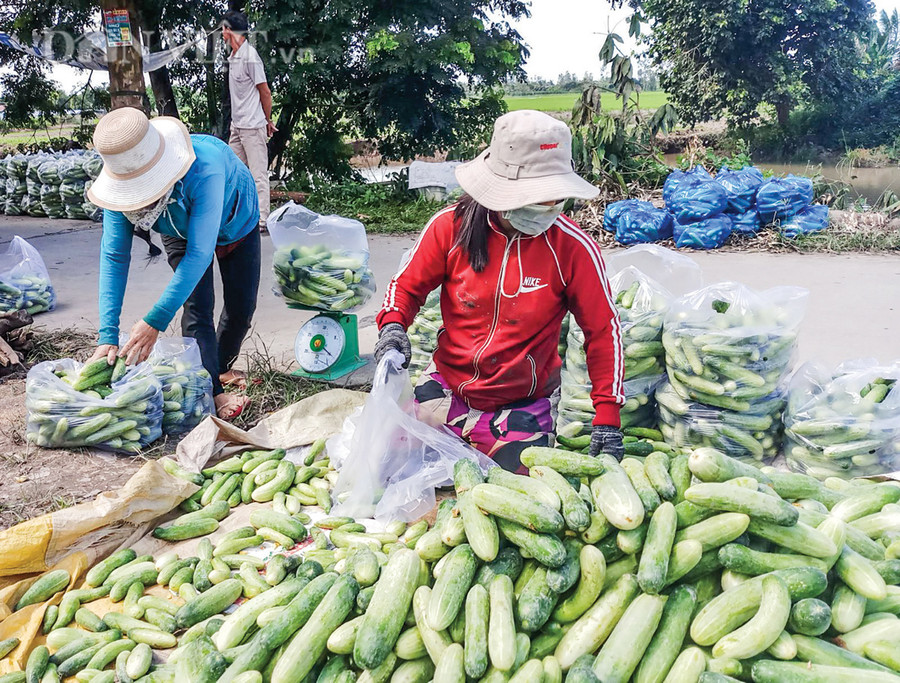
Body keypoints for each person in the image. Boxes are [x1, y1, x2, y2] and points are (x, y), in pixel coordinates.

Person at [374, 110, 625, 471]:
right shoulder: (450, 228)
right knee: (394, 469)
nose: (549, 208)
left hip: (523, 403)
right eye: (538, 199)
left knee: (515, 494)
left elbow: (603, 331)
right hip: (447, 387)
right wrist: (394, 324)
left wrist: (607, 415)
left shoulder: (572, 248)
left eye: (556, 198)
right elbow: (406, 287)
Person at [86, 106, 261, 419]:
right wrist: (107, 336)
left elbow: (200, 253)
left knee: (240, 310)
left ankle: (219, 367)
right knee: (197, 309)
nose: (137, 200)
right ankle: (213, 391)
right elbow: (114, 255)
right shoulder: (120, 189)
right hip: (177, 229)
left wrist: (155, 320)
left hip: (235, 222)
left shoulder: (204, 169)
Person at [222, 10, 275, 232]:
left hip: (253, 126)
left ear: (229, 30)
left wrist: (267, 120)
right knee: (230, 171)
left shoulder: (250, 57)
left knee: (258, 175)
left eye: (223, 28)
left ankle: (263, 220)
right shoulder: (233, 57)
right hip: (237, 126)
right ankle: (232, 215)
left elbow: (265, 92)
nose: (221, 32)